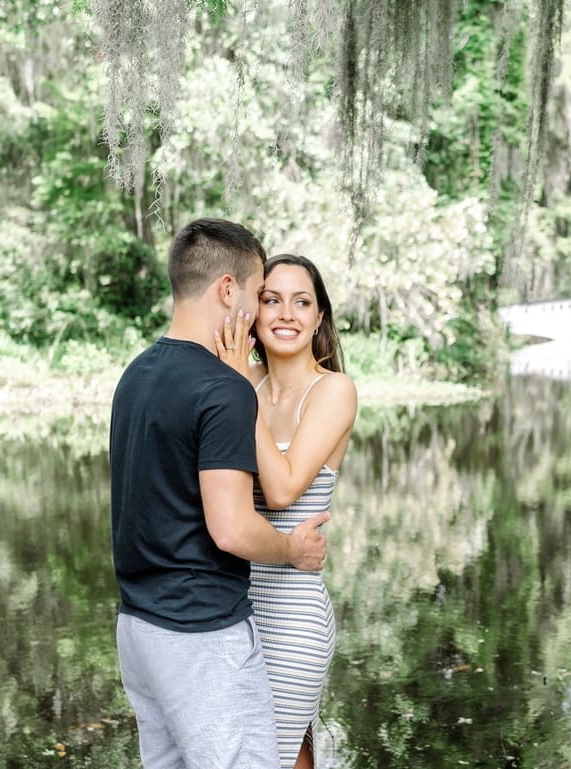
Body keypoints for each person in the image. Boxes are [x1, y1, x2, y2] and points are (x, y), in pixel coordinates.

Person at [110, 220, 330, 769]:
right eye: (261, 296)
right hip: (200, 633)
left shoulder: (136, 374)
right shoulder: (224, 387)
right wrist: (290, 551)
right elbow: (230, 527)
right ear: (228, 291)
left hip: (139, 629)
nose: (265, 313)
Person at [214, 253, 357, 769]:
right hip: (232, 610)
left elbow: (282, 491)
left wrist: (234, 389)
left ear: (320, 317)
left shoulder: (333, 391)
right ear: (253, 308)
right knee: (281, 751)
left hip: (294, 612)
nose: (285, 314)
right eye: (271, 300)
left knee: (269, 754)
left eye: (302, 302)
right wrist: (236, 381)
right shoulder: (241, 379)